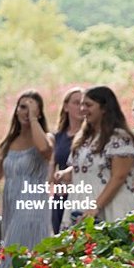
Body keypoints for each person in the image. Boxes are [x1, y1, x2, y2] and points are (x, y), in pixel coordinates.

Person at [0, 92, 54, 268]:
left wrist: (32, 119)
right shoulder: (8, 143)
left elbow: (44, 150)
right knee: (14, 247)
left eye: (31, 107)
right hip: (11, 204)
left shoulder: (45, 138)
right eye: (22, 106)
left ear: (39, 113)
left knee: (16, 249)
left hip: (32, 202)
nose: (25, 111)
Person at [59, 86, 134, 227]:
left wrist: (96, 207)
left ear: (104, 108)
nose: (83, 109)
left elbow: (119, 177)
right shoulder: (84, 138)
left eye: (88, 105)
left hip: (111, 207)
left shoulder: (120, 138)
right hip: (81, 206)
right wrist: (65, 174)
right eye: (81, 104)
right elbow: (91, 169)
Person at [50, 87, 83, 233]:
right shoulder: (57, 138)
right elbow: (50, 175)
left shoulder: (92, 137)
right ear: (66, 106)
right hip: (61, 197)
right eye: (76, 103)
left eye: (84, 103)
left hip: (84, 195)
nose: (81, 107)